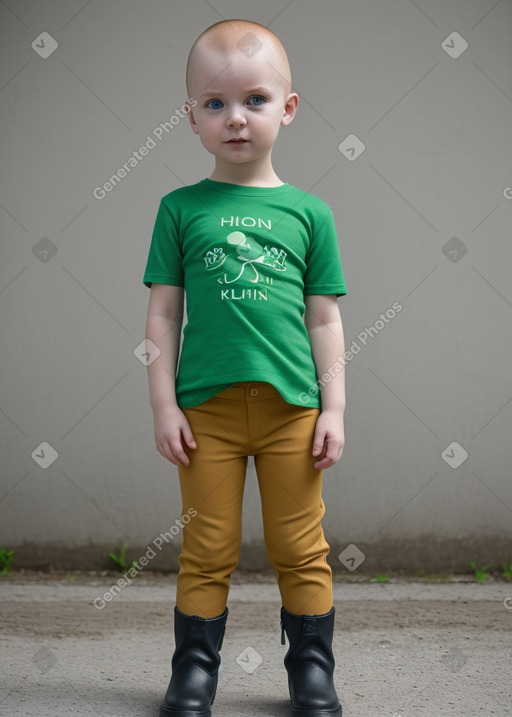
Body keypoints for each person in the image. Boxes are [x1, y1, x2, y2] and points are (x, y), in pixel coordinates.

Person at [143, 18, 347, 717]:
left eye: (256, 99)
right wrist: (164, 404)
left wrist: (336, 407)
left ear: (287, 109)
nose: (236, 118)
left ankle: (311, 670)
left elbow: (324, 319)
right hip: (207, 413)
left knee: (302, 545)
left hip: (294, 409)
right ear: (193, 116)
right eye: (215, 103)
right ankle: (194, 671)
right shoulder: (179, 210)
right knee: (207, 545)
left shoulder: (309, 213)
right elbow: (164, 316)